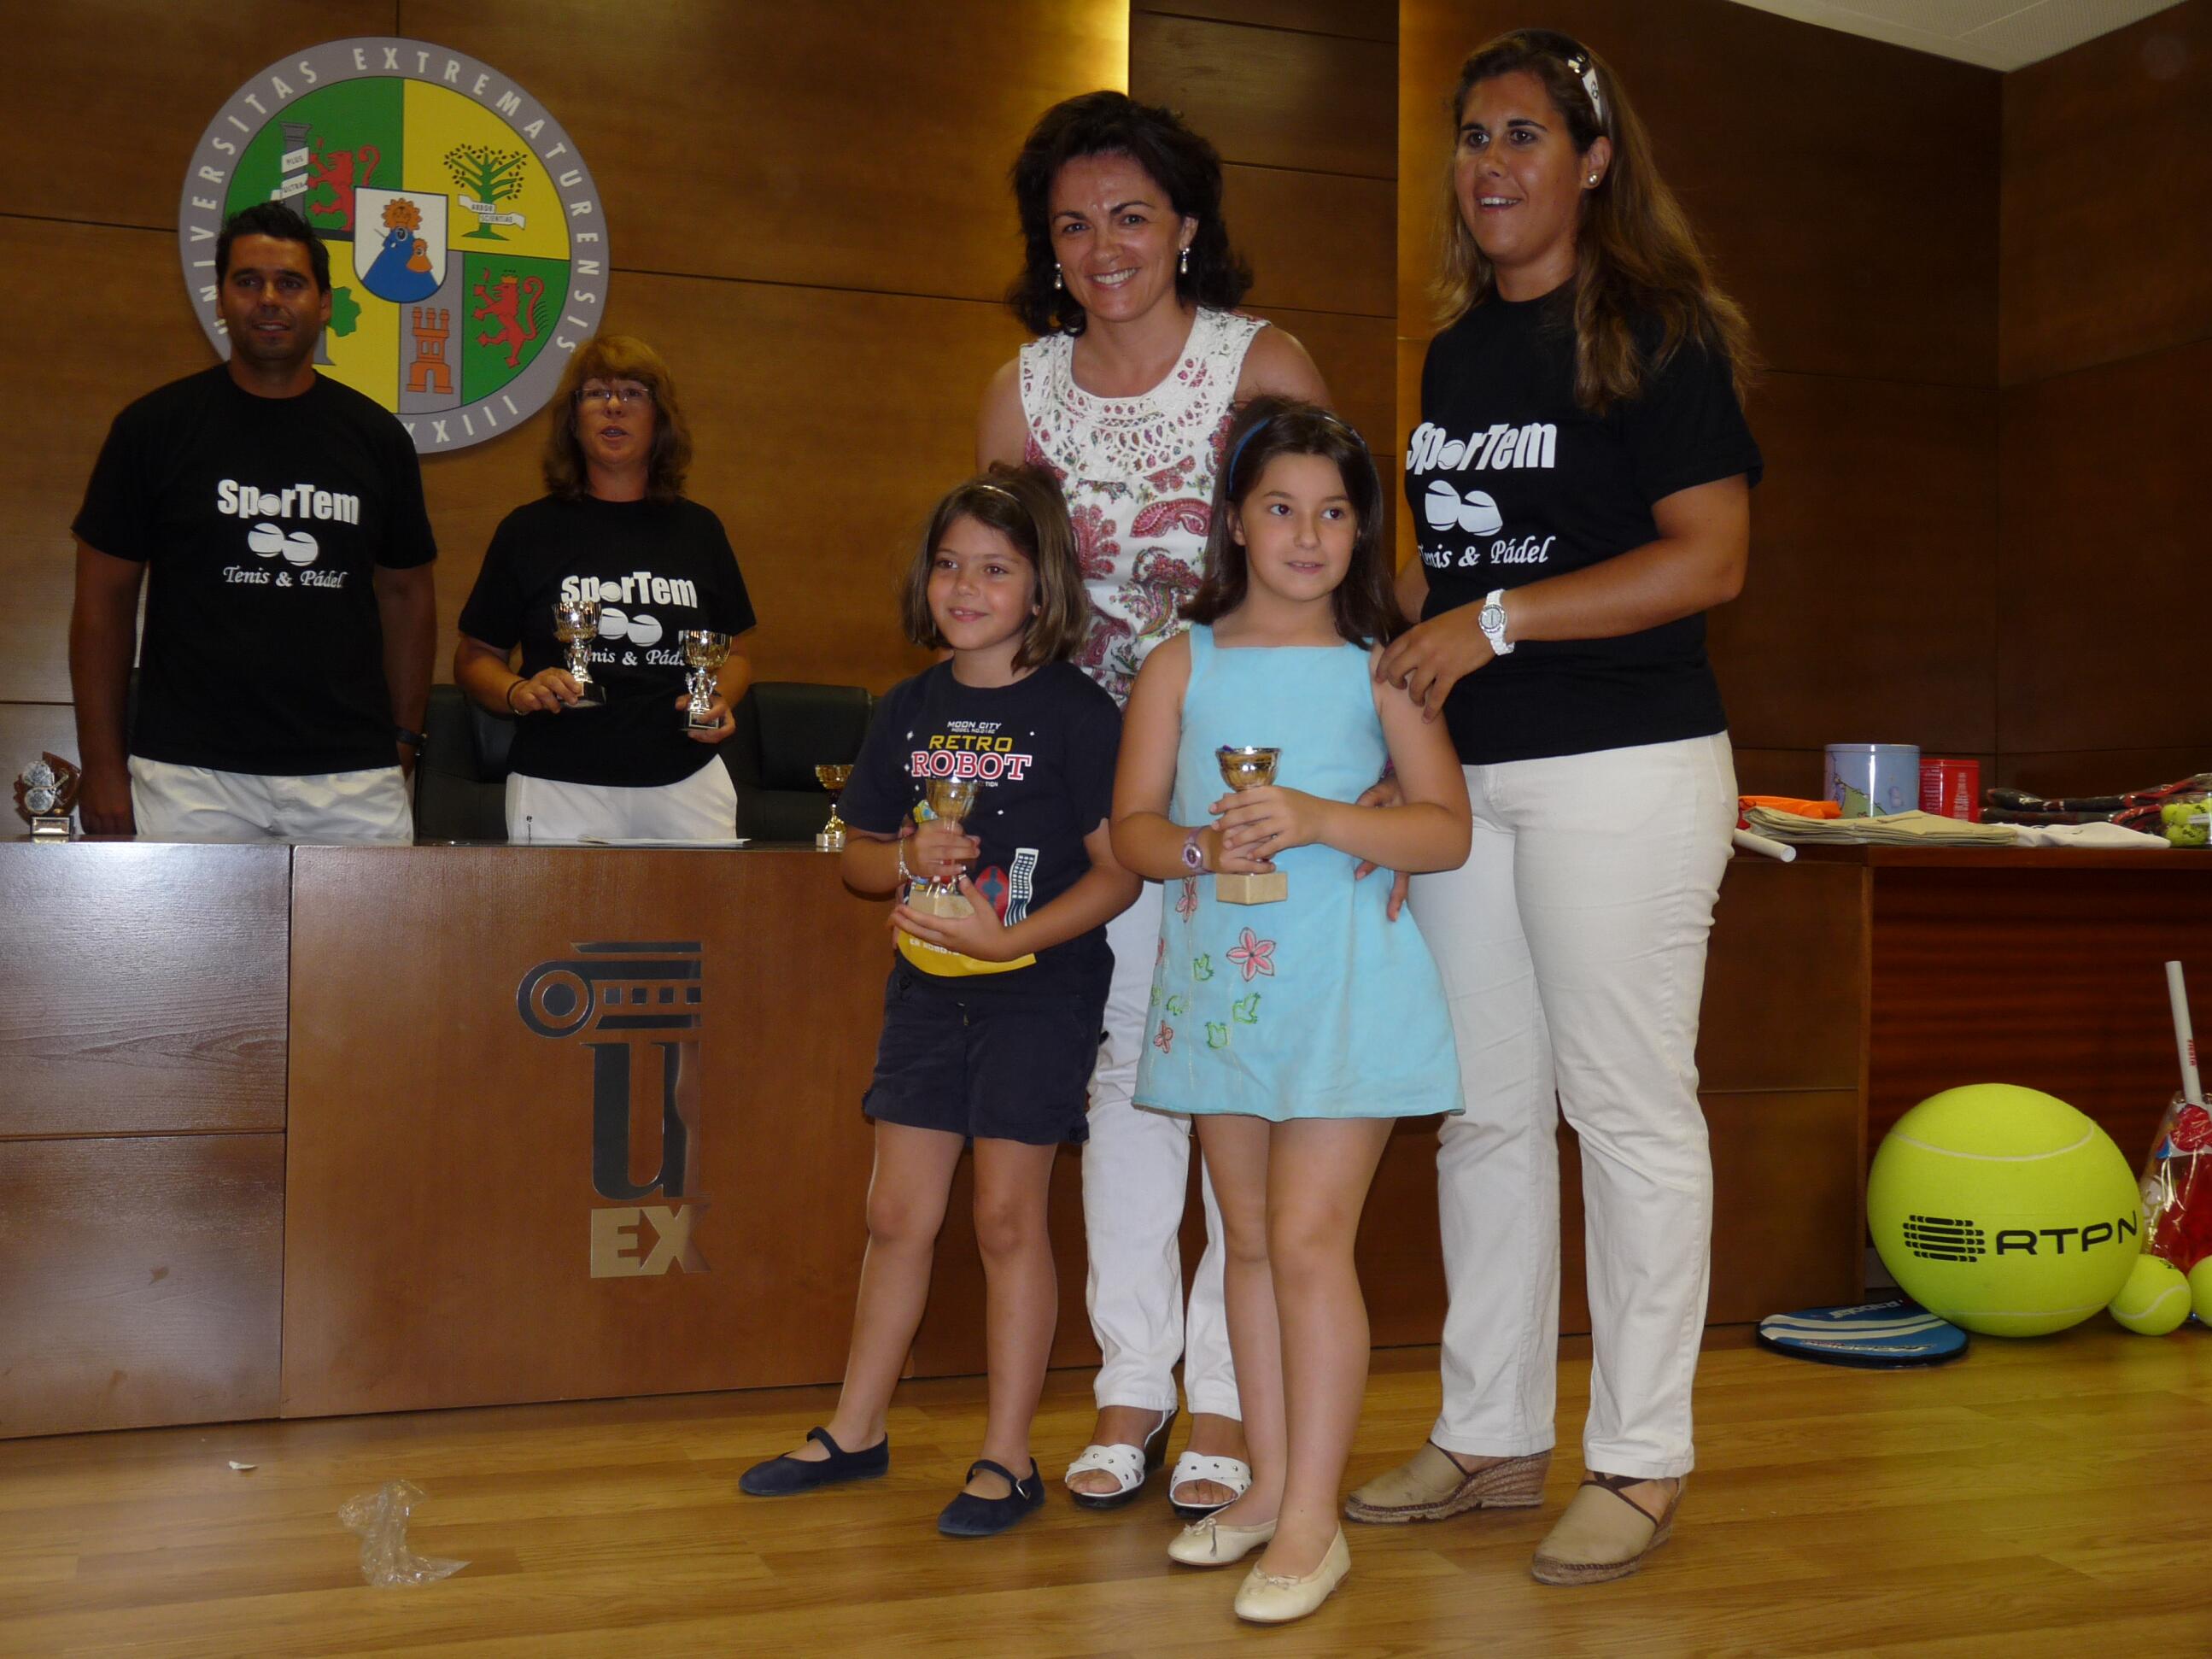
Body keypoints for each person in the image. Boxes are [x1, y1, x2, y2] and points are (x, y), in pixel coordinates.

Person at [1343, 30, 1763, 1586]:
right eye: (1472, 136)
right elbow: (1444, 574)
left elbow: (1708, 556)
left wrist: (1497, 622)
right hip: (1473, 782)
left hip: (1625, 768)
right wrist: (1364, 677)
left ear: (1592, 163)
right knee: (1486, 1112)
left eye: (1522, 134)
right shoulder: (1457, 355)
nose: (1489, 162)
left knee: (1626, 1109)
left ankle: (1640, 1458)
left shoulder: (1658, 329)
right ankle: (1491, 1431)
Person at [976, 88, 1329, 1517]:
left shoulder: (1262, 362)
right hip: (1091, 793)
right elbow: (1000, 596)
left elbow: (1330, 554)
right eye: (1073, 224)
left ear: (1185, 226)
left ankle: (1231, 1394)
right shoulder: (1021, 389)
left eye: (1131, 216)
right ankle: (1133, 1379)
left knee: (1234, 1074)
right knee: (1128, 1074)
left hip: (1245, 783)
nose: (1103, 246)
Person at [1112, 398, 1469, 1623]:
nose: (1307, 535)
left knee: (1311, 1240)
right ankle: (1269, 1485)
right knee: (1250, 1240)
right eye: (1279, 508)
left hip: (1345, 991)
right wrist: (1200, 849)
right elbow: (1133, 829)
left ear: (1360, 532)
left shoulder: (1387, 666)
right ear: (1234, 522)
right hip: (1222, 994)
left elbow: (1444, 830)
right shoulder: (1181, 662)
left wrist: (1319, 817)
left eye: (1332, 513)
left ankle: (1315, 1520)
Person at [738, 465, 1138, 1539]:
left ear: (1042, 588)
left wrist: (1010, 937)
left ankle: (1008, 1457)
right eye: (950, 565)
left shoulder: (1078, 712)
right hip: (925, 990)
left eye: (995, 569)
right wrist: (906, 854)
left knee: (1007, 1218)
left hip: (1040, 993)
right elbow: (859, 862)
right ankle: (856, 1429)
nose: (966, 587)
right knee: (894, 1214)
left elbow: (1117, 874)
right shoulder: (909, 708)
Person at [69, 202, 436, 842]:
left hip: (351, 776)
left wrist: (404, 740)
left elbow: (408, 597)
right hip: (189, 775)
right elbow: (104, 602)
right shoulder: (153, 429)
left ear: (324, 304)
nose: (269, 299)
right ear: (221, 299)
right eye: (248, 281)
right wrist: (102, 765)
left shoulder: (378, 439)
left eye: (290, 283)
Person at [454, 337, 754, 844]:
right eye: (595, 393)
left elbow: (737, 651)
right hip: (558, 782)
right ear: (573, 420)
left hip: (686, 776)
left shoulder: (700, 531)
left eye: (634, 393)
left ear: (660, 418)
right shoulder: (527, 531)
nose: (614, 406)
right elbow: (475, 657)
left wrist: (717, 698)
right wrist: (517, 691)